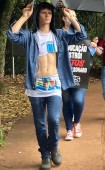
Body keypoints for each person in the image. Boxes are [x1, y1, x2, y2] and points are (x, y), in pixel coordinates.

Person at [6, 2, 87, 169]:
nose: (47, 15)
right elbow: (12, 35)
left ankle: (54, 147)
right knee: (40, 124)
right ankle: (45, 155)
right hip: (36, 86)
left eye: (49, 13)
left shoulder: (59, 35)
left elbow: (81, 35)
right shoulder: (30, 36)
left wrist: (71, 17)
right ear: (38, 16)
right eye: (43, 12)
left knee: (54, 120)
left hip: (54, 84)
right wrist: (24, 16)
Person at [61, 9, 91, 141]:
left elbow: (84, 36)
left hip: (80, 72)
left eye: (74, 16)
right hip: (64, 73)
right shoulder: (58, 33)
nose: (72, 18)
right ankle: (68, 129)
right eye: (68, 16)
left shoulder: (79, 31)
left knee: (78, 100)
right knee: (66, 101)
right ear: (63, 18)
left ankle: (77, 123)